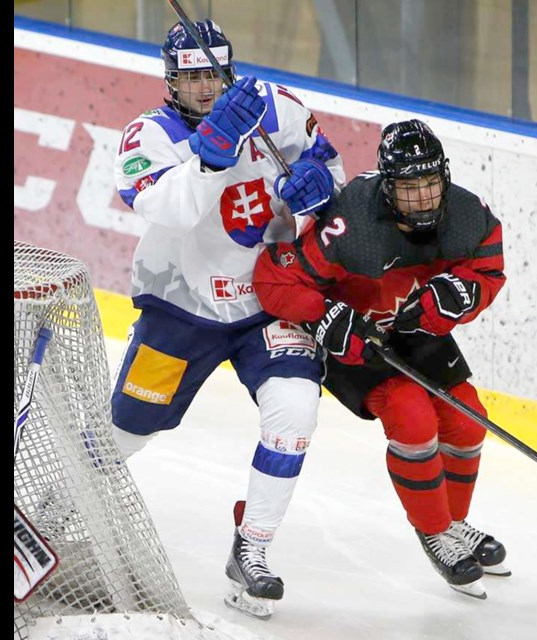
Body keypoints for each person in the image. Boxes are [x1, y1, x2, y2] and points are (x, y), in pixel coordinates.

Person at [110, 19, 345, 619]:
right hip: (181, 308)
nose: (203, 86)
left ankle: (254, 549)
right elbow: (170, 211)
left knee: (295, 410)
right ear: (171, 80)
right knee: (128, 429)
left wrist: (318, 196)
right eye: (189, 76)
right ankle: (52, 506)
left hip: (267, 302)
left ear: (229, 69)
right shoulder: (147, 135)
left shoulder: (279, 110)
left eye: (211, 73)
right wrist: (210, 155)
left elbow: (331, 176)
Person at [253, 119, 509, 599]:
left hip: (411, 329)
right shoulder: (350, 223)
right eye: (408, 188)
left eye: (431, 184)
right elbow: (273, 280)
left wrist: (461, 294)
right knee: (412, 416)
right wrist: (324, 315)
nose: (422, 199)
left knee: (470, 418)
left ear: (444, 176)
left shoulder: (468, 214)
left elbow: (488, 268)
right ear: (388, 185)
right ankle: (434, 530)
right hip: (356, 338)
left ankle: (454, 523)